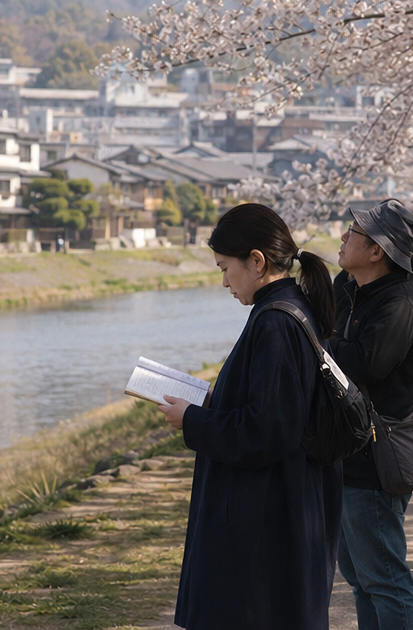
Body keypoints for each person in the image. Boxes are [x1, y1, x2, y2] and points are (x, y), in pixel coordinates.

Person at [158, 203, 342, 630]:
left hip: (265, 516)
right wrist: (212, 402)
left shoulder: (276, 322)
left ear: (257, 261)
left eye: (225, 268)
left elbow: (265, 432)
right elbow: (274, 409)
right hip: (283, 503)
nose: (224, 281)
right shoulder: (289, 307)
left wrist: (192, 420)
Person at [329, 200, 413, 630]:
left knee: (384, 579)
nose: (343, 237)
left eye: (353, 233)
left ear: (376, 252)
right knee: (360, 578)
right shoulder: (353, 291)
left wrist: (319, 340)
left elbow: (362, 364)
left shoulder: (398, 305)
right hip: (347, 453)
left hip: (375, 461)